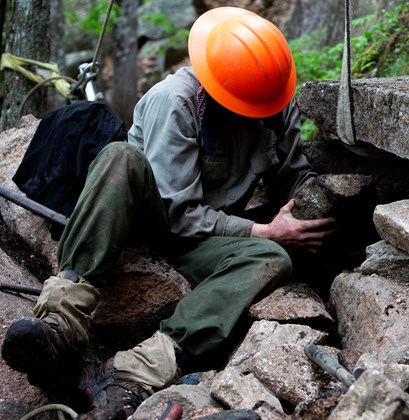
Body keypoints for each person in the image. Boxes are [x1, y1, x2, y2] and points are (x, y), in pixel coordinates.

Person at [1, 7, 335, 419]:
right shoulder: (173, 101)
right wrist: (264, 229)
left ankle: (131, 373)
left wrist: (316, 203)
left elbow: (292, 173)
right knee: (120, 157)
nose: (260, 115)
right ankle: (60, 323)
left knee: (272, 259)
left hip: (208, 237)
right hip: (156, 219)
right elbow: (178, 213)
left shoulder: (273, 101)